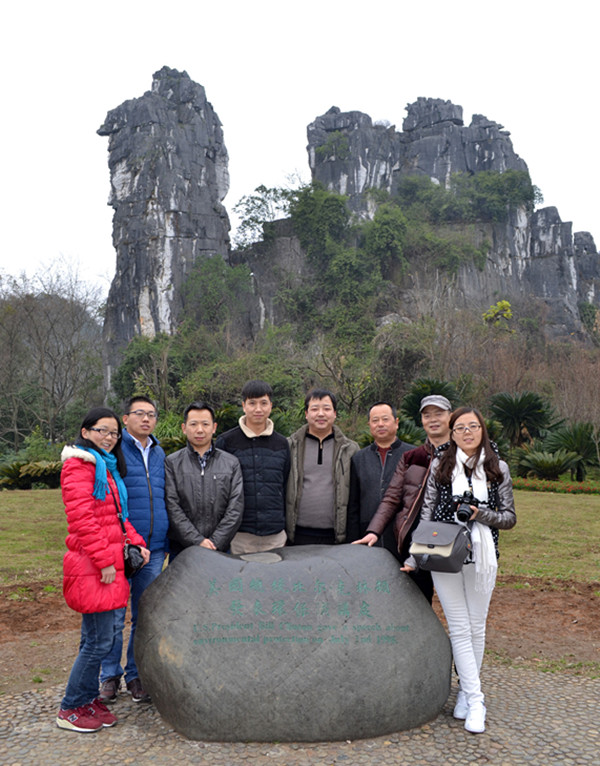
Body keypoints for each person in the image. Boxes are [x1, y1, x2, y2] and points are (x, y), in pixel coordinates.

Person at [402, 407, 516, 734]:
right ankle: (477, 700)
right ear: (452, 434)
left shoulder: (498, 468)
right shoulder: (441, 465)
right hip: (444, 555)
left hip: (482, 556)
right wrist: (415, 555)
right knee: (459, 627)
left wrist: (481, 514)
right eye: (460, 428)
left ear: (483, 430)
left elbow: (509, 518)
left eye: (473, 426)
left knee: (476, 626)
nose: (467, 432)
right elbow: (426, 515)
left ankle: (467, 693)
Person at [56, 407, 150, 733]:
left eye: (114, 433)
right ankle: (71, 707)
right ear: (85, 432)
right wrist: (105, 562)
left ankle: (86, 698)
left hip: (106, 564)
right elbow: (82, 520)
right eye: (102, 431)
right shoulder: (78, 466)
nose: (109, 438)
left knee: (96, 638)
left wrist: (137, 543)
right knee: (99, 641)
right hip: (95, 566)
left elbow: (117, 518)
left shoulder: (103, 467)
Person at [99, 396, 169, 705]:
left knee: (144, 616)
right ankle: (109, 675)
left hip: (153, 548)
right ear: (125, 418)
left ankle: (136, 673)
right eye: (139, 413)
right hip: (121, 547)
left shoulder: (159, 452)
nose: (146, 419)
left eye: (151, 414)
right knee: (114, 616)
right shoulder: (114, 450)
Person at [351, 394, 454, 602]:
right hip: (411, 537)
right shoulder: (413, 457)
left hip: (452, 539)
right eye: (427, 415)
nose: (381, 424)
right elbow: (391, 497)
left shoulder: (464, 455)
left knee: (431, 597)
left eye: (439, 414)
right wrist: (373, 531)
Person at [215, 380, 290, 554]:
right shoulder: (226, 442)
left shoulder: (282, 443)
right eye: (252, 403)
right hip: (239, 535)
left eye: (263, 403)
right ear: (243, 406)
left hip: (275, 534)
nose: (258, 409)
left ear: (271, 406)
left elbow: (285, 484)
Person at [165, 401, 244, 556]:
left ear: (214, 428)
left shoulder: (231, 463)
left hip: (220, 548)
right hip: (182, 549)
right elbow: (172, 506)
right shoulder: (172, 462)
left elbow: (236, 507)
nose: (200, 430)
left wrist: (216, 541)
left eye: (205, 424)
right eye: (193, 424)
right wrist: (197, 541)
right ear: (184, 428)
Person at [286, 388, 359, 545]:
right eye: (314, 409)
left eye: (326, 409)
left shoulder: (350, 449)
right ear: (306, 414)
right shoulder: (290, 446)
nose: (320, 414)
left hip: (336, 536)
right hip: (297, 534)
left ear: (335, 413)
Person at [346, 402, 413, 557]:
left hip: (403, 536)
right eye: (375, 420)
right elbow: (353, 504)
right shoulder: (359, 458)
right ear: (369, 425)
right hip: (367, 534)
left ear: (396, 422)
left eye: (385, 419)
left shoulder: (413, 455)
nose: (380, 424)